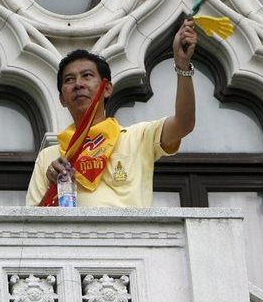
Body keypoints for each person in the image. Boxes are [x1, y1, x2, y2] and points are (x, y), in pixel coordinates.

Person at [26, 19, 197, 207]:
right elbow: (32, 225)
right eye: (69, 79)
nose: (78, 84)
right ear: (62, 99)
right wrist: (53, 187)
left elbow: (184, 124)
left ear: (107, 89)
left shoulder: (137, 137)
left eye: (87, 76)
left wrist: (183, 66)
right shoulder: (49, 157)